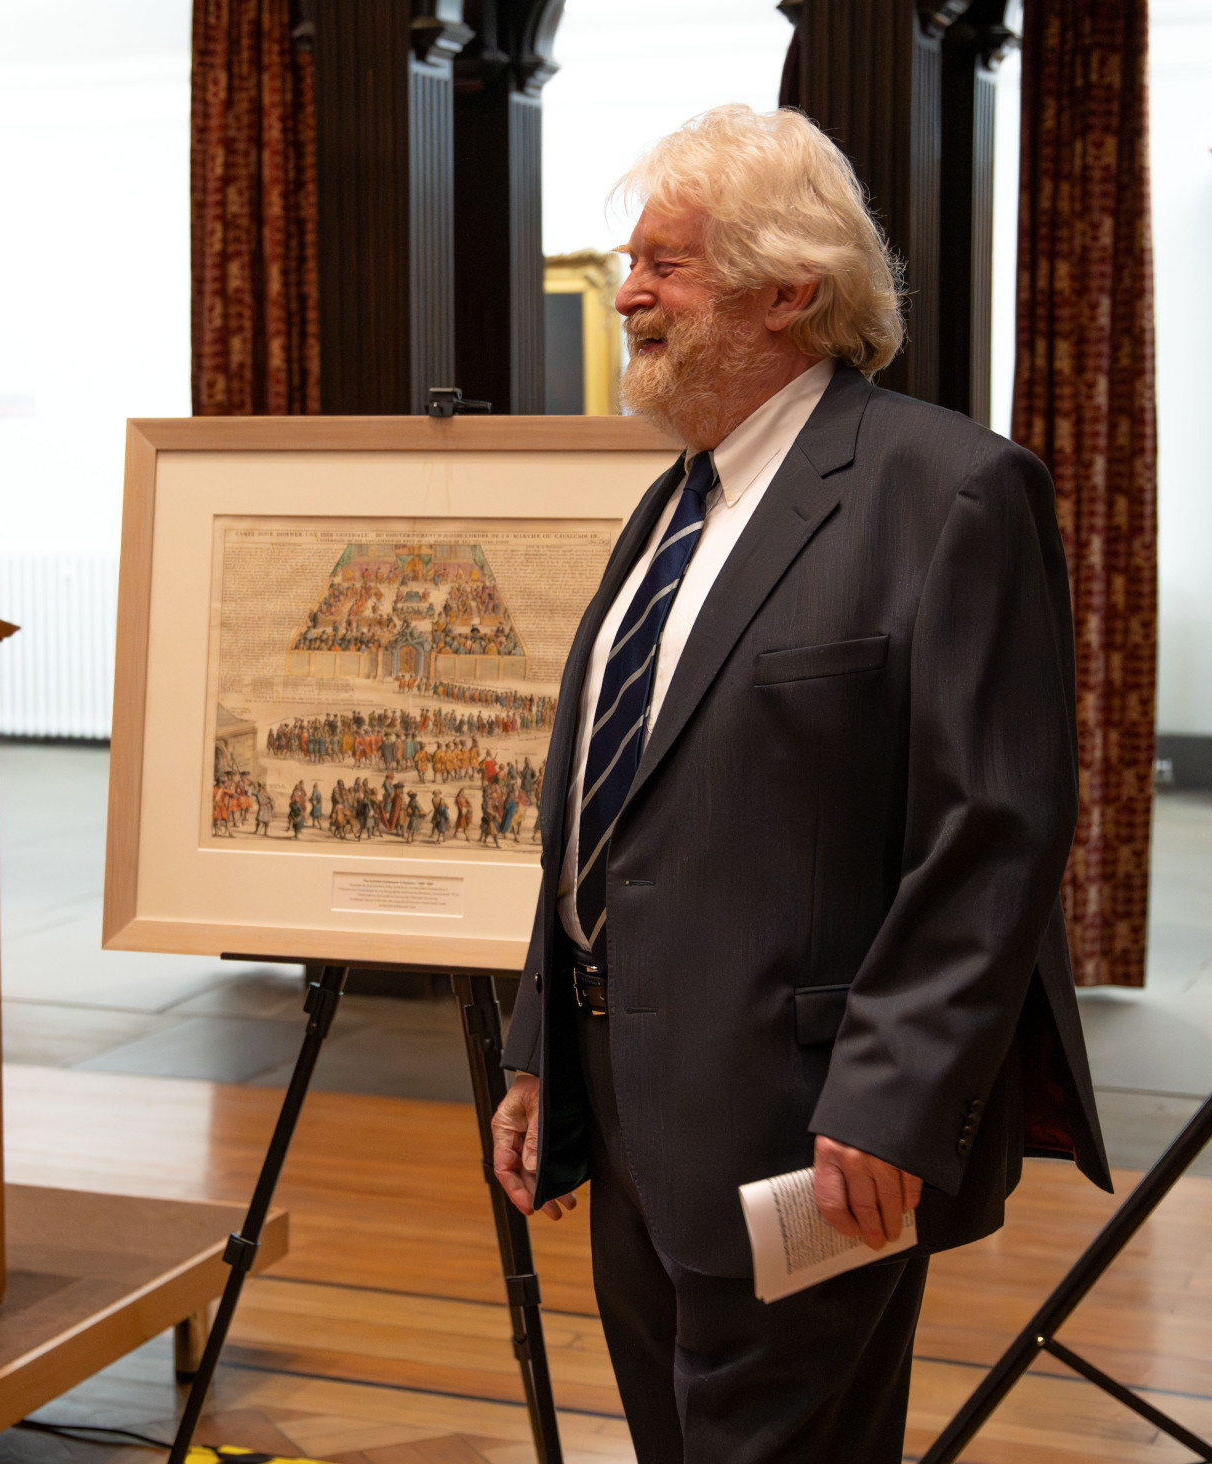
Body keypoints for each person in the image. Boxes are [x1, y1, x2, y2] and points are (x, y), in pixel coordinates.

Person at [488, 105, 1108, 1464]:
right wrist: (538, 1049)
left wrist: (891, 1102)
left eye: (667, 263)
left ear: (791, 286)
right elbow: (605, 811)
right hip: (632, 1106)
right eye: (628, 264)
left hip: (811, 1134)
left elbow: (991, 834)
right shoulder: (670, 508)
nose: (628, 294)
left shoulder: (951, 493)